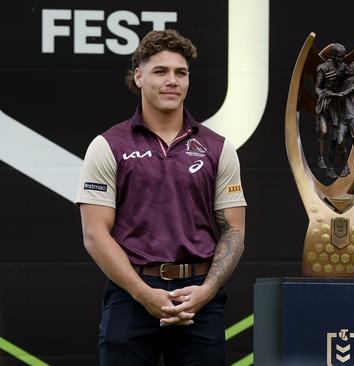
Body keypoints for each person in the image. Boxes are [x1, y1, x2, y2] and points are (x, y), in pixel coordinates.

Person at [76, 29, 246, 366]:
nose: (172, 81)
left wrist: (206, 291)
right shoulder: (108, 145)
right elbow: (95, 234)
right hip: (131, 293)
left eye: (180, 73)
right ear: (139, 76)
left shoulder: (218, 147)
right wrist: (143, 293)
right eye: (161, 71)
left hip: (199, 296)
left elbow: (234, 230)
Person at [314, 43, 348, 178]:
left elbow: (350, 79)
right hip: (325, 105)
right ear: (333, 56)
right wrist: (324, 94)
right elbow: (317, 87)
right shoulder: (322, 68)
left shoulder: (344, 67)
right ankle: (320, 157)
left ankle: (331, 167)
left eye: (343, 57)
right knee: (323, 131)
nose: (342, 59)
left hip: (337, 106)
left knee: (334, 139)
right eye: (339, 57)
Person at [336, 61, 354, 177]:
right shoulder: (343, 81)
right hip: (343, 119)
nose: (349, 67)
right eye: (350, 65)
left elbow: (346, 93)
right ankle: (345, 167)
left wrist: (339, 93)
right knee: (340, 141)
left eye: (352, 67)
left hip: (353, 117)